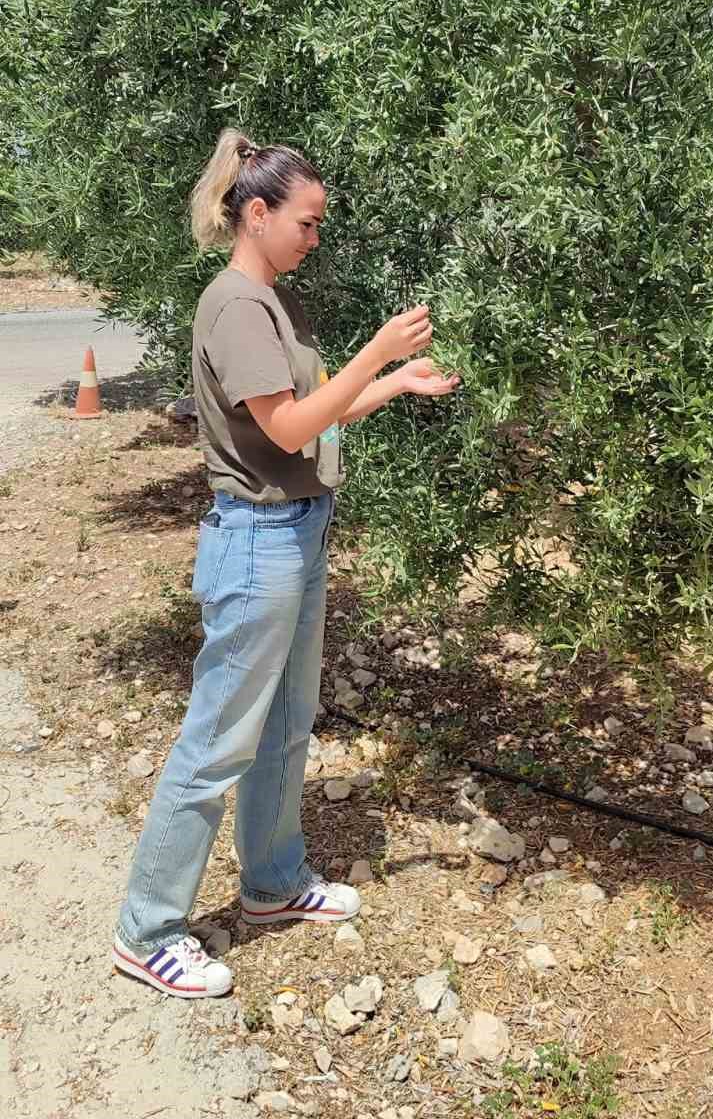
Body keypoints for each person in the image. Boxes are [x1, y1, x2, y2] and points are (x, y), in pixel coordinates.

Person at [113, 129, 460, 998]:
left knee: (285, 724)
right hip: (257, 543)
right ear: (256, 213)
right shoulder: (235, 304)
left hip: (295, 532)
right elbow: (291, 431)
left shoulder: (271, 302)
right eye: (306, 223)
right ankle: (146, 930)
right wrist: (377, 352)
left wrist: (390, 384)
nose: (315, 238)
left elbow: (313, 410)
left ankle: (272, 885)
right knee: (218, 740)